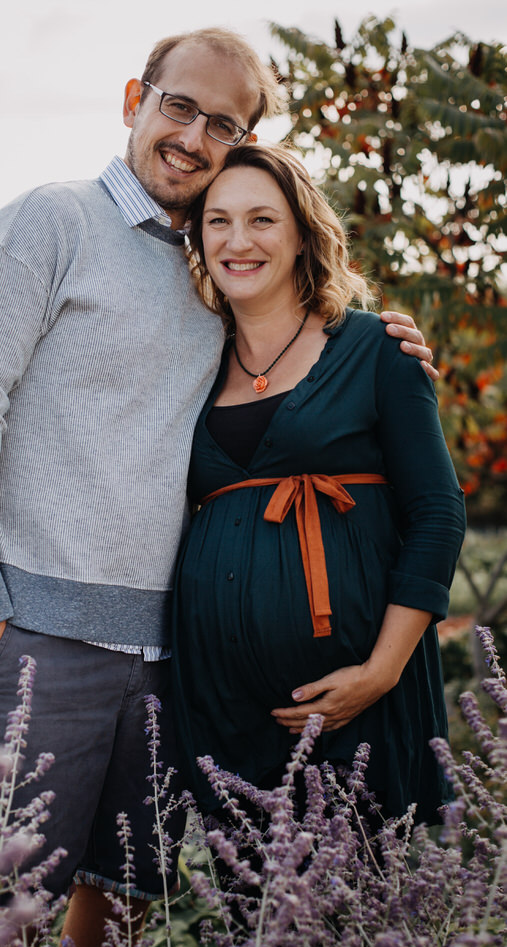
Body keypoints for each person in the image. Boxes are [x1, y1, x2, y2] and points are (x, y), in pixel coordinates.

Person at [0, 28, 436, 947]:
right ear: (133, 100)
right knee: (8, 909)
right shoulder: (47, 223)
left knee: (124, 906)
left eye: (223, 124)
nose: (194, 136)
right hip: (41, 640)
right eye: (179, 106)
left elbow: (296, 346)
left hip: (170, 659)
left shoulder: (211, 271)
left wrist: (383, 336)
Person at [170, 143, 466, 841]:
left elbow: (436, 513)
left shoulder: (373, 350)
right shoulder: (189, 365)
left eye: (261, 220)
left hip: (359, 695)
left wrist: (380, 671)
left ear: (302, 232)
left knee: (364, 919)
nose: (237, 242)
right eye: (217, 221)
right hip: (224, 704)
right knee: (250, 921)